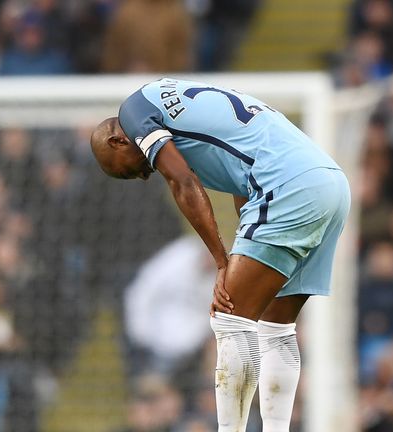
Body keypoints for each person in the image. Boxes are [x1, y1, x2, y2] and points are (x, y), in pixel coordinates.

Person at [89, 77, 350, 432]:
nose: (143, 175)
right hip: (329, 183)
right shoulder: (170, 96)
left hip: (285, 185)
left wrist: (222, 262)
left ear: (118, 140)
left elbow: (181, 182)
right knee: (276, 327)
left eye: (130, 170)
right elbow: (240, 176)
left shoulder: (135, 112)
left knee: (229, 319)